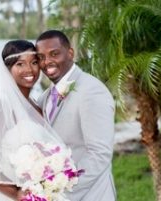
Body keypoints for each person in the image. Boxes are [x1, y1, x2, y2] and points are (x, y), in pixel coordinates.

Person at [0, 40, 64, 201]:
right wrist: (15, 193)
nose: (29, 69)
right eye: (20, 64)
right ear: (8, 69)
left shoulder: (36, 106)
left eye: (34, 62)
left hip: (29, 191)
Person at [36, 30, 116, 201]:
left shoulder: (92, 91)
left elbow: (99, 154)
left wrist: (59, 189)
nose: (47, 62)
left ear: (70, 53)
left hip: (90, 195)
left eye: (54, 54)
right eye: (41, 57)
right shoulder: (45, 97)